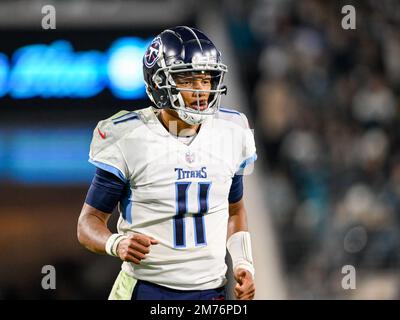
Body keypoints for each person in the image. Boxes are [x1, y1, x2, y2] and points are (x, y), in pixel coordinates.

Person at [77, 26, 257, 300]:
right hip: (145, 289)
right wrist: (116, 242)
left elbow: (235, 210)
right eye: (187, 79)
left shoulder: (232, 131)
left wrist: (244, 262)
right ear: (160, 83)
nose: (200, 90)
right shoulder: (128, 136)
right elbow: (88, 223)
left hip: (211, 292)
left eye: (206, 79)